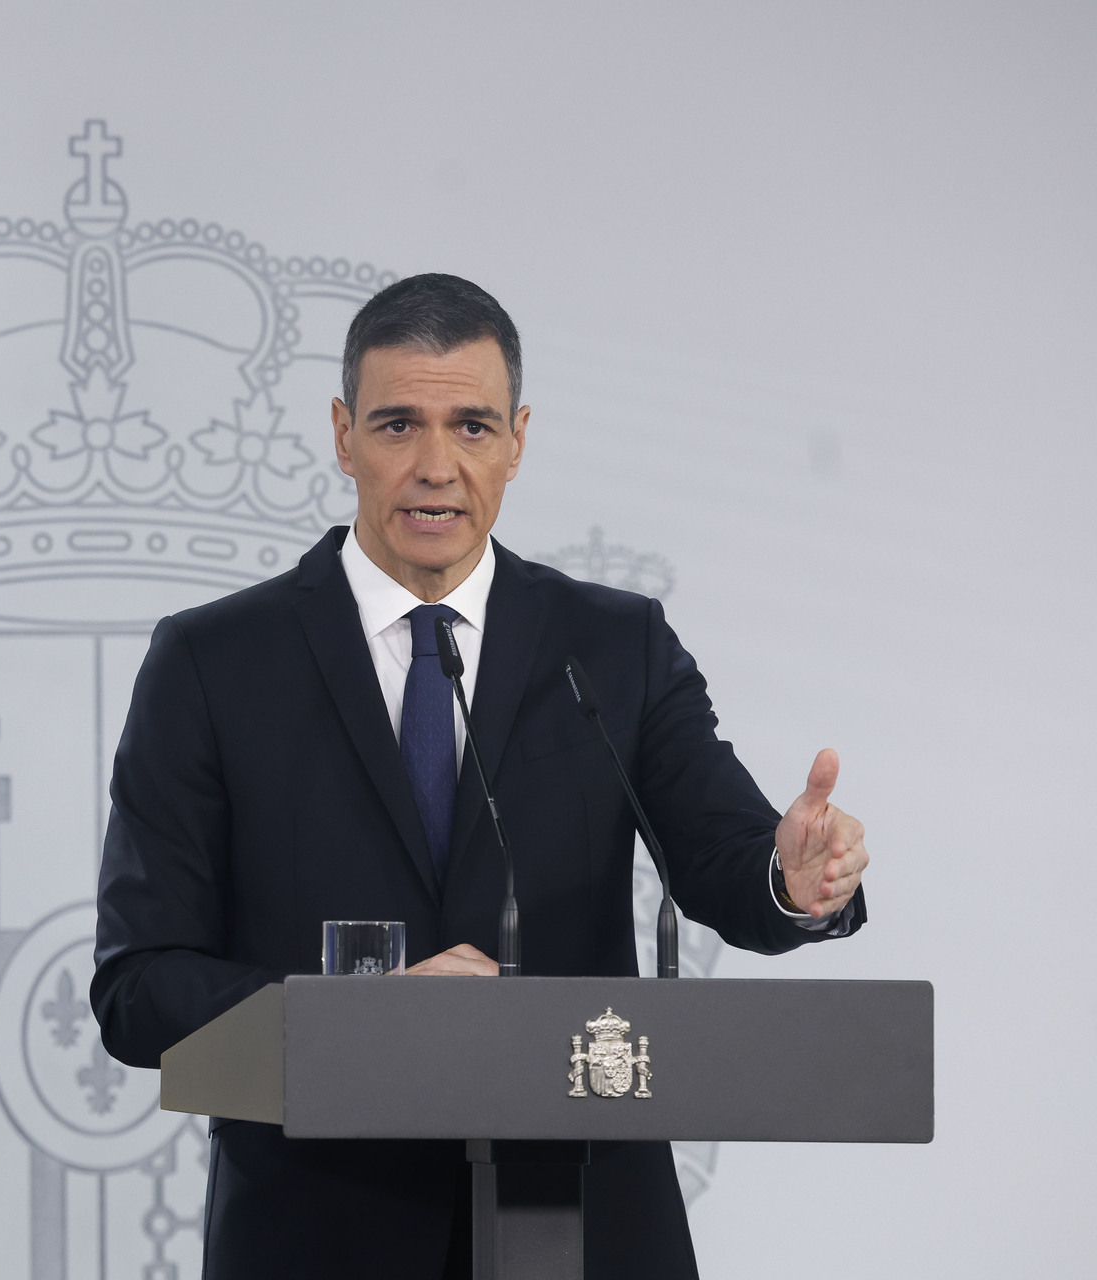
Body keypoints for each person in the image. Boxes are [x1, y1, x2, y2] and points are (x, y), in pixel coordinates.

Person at [90, 273, 869, 1279]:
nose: (436, 466)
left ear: (517, 440)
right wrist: (351, 1022)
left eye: (471, 426)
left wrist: (792, 877)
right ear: (342, 435)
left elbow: (726, 858)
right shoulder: (213, 661)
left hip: (583, 1228)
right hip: (320, 1234)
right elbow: (139, 986)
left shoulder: (613, 645)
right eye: (397, 425)